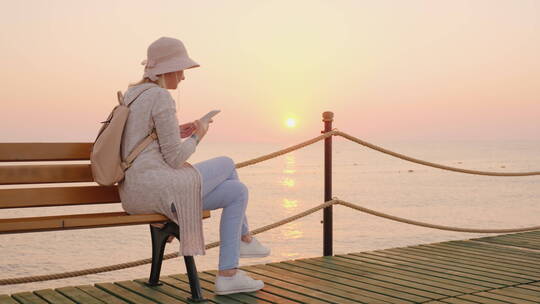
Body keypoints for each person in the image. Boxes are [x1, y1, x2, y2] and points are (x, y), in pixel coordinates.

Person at [118, 36, 270, 295]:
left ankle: (228, 274)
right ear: (168, 69)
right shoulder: (161, 97)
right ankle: (244, 239)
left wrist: (178, 131)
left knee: (237, 192)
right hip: (159, 192)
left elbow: (143, 141)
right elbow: (175, 159)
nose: (183, 77)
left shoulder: (133, 94)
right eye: (181, 70)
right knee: (226, 163)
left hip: (134, 193)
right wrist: (199, 135)